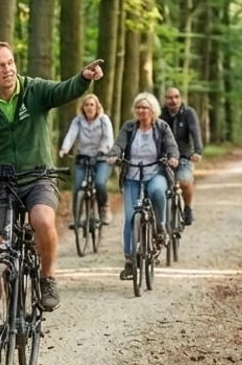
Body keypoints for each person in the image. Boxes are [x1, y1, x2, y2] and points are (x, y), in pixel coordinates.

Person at [0, 41, 103, 364]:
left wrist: (84, 77)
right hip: (0, 182)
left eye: (10, 63)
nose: (7, 69)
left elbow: (64, 91)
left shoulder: (33, 90)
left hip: (38, 176)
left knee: (43, 221)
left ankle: (47, 278)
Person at [107, 92, 178, 281]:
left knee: (157, 191)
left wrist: (172, 157)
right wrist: (114, 154)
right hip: (132, 176)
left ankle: (161, 226)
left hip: (155, 172)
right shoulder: (130, 127)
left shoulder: (162, 127)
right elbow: (119, 144)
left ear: (153, 110)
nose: (141, 111)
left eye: (145, 107)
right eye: (138, 107)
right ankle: (130, 259)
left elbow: (171, 146)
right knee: (130, 217)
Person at [58, 93, 115, 226]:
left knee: (99, 183)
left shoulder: (103, 120)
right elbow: (71, 135)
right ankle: (76, 217)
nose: (89, 107)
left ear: (97, 106)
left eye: (92, 105)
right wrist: (65, 149)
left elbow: (108, 138)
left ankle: (104, 208)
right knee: (77, 186)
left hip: (101, 158)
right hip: (83, 158)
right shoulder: (78, 120)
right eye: (87, 105)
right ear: (83, 107)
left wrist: (103, 150)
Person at [160, 87, 203, 225]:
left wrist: (197, 151)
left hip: (184, 155)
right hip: (164, 157)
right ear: (165, 99)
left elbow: (195, 132)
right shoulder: (160, 114)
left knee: (184, 181)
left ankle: (188, 208)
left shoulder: (188, 113)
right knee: (158, 187)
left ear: (180, 98)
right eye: (170, 98)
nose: (173, 100)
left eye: (176, 97)